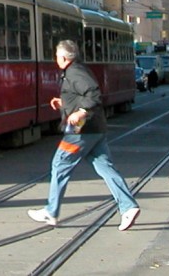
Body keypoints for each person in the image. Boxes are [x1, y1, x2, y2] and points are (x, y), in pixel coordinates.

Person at [28, 40, 140, 232]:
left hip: (81, 131)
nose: (56, 59)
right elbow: (81, 94)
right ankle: (128, 207)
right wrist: (64, 102)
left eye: (56, 56)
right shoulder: (79, 69)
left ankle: (51, 211)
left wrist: (79, 111)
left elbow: (93, 95)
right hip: (94, 130)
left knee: (60, 164)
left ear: (63, 57)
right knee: (105, 168)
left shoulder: (74, 72)